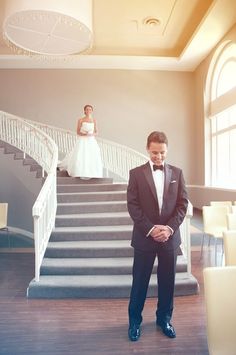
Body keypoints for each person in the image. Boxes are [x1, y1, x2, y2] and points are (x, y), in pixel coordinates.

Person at [127, 131, 188, 341]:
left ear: (167, 150)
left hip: (169, 239)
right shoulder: (135, 174)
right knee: (140, 282)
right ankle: (134, 322)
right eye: (154, 153)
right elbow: (133, 206)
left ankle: (164, 320)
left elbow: (182, 205)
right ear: (147, 149)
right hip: (145, 238)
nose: (158, 157)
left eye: (162, 153)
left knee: (167, 282)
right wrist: (151, 229)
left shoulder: (178, 173)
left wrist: (169, 229)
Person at [58, 104, 103, 178]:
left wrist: (91, 134)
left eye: (90, 109)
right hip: (82, 140)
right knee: (81, 154)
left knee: (91, 155)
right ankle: (79, 171)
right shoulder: (81, 120)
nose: (89, 111)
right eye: (87, 109)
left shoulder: (94, 120)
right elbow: (78, 132)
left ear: (92, 111)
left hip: (91, 140)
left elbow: (97, 132)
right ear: (84, 110)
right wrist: (84, 134)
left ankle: (91, 172)